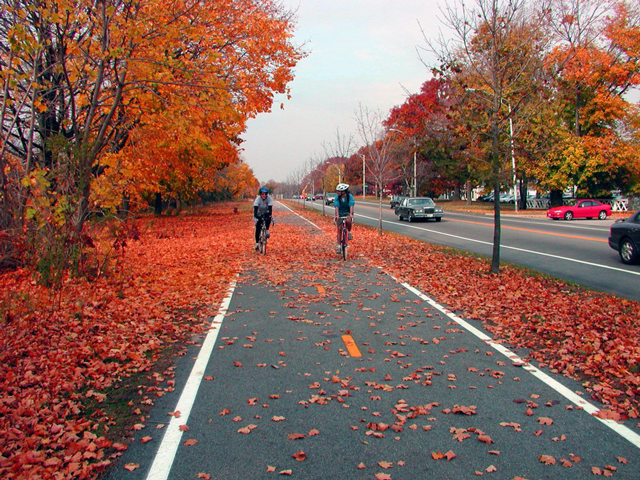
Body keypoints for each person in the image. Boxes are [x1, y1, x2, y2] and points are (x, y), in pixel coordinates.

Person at [333, 183, 354, 253]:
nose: (337, 192)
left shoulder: (349, 196)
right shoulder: (337, 197)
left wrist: (351, 214)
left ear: (343, 191)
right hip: (340, 213)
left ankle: (349, 232)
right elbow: (336, 206)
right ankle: (338, 246)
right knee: (339, 229)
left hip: (347, 212)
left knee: (348, 221)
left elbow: (351, 205)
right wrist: (337, 215)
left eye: (338, 191)